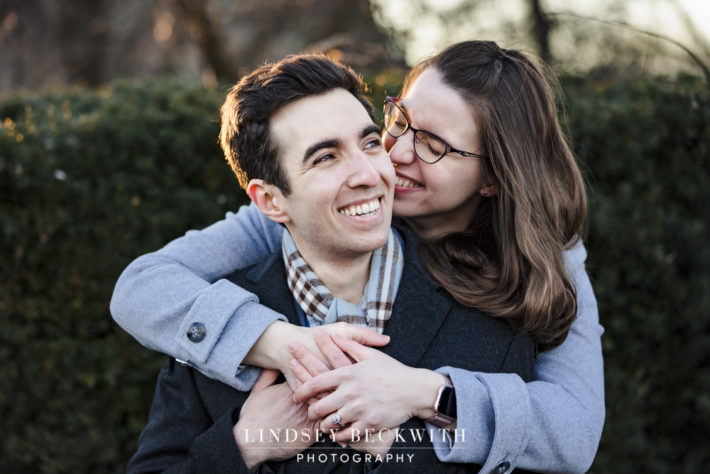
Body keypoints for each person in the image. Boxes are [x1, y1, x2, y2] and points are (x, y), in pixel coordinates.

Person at [112, 41, 604, 473]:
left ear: (494, 178)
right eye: (399, 121)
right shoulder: (279, 228)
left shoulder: (528, 282)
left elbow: (573, 432)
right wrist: (277, 360)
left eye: (433, 145)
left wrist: (424, 399)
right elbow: (144, 285)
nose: (392, 154)